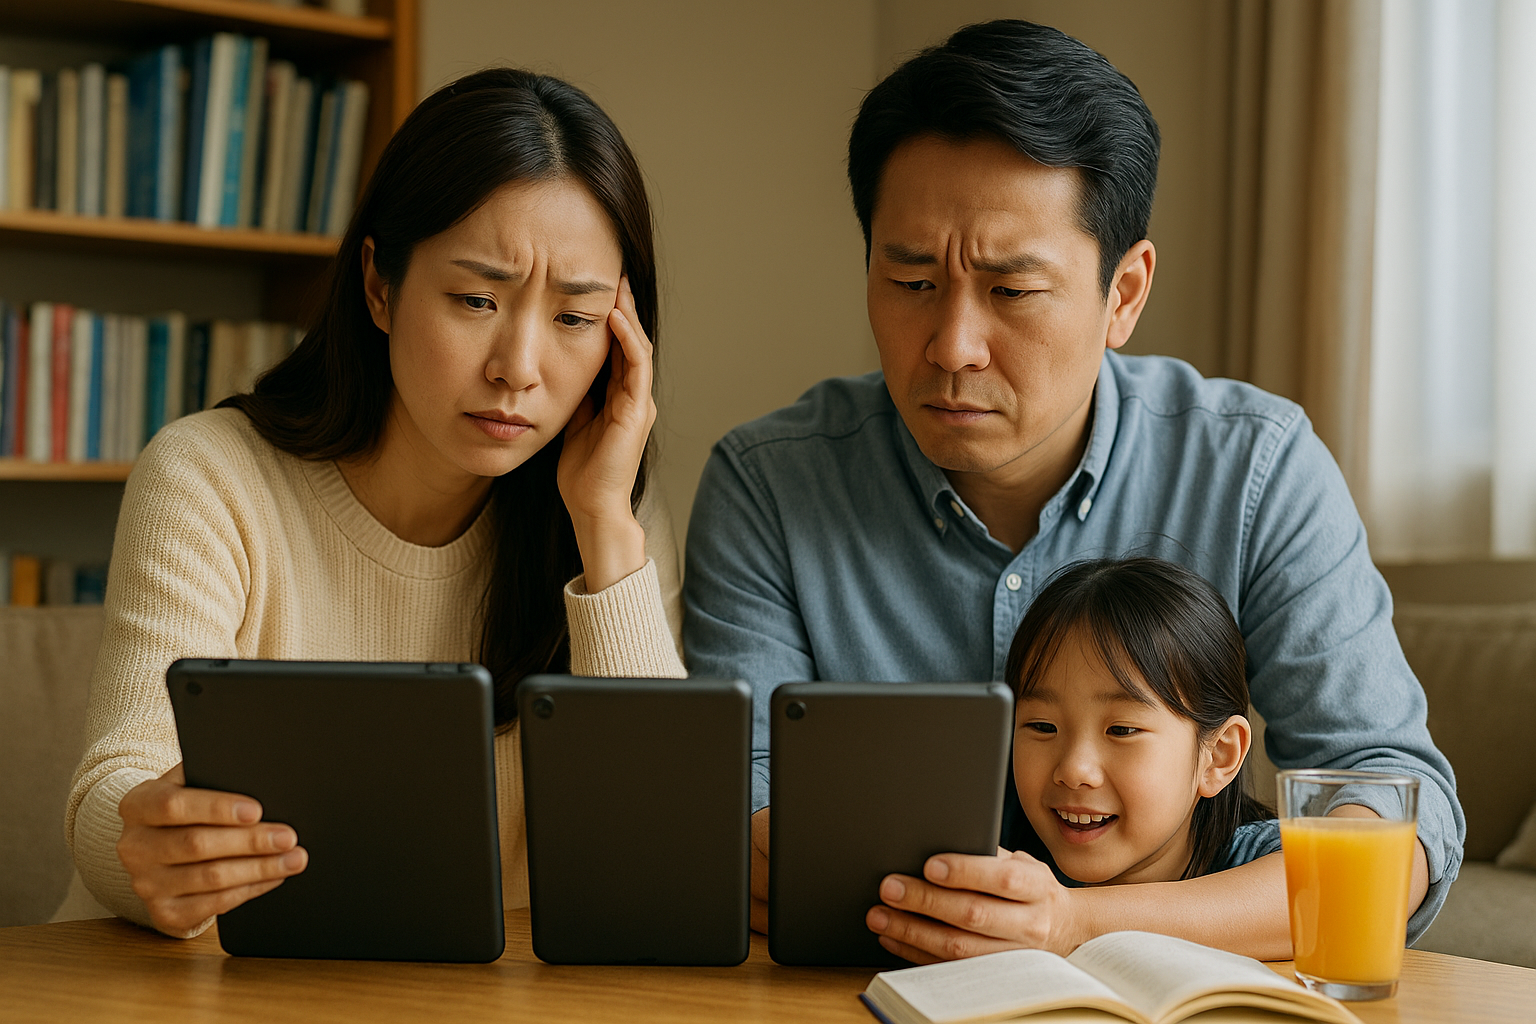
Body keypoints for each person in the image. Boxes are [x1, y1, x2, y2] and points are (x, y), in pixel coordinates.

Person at [682, 19, 1462, 960]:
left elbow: (1391, 821)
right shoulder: (770, 483)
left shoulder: (1256, 467)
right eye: (911, 278)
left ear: (1124, 294)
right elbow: (744, 807)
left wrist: (1077, 924)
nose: (953, 345)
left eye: (1012, 291)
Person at [65, 68, 685, 939]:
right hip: (211, 987)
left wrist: (605, 530)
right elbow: (121, 778)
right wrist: (144, 842)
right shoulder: (210, 477)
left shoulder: (607, 518)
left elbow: (664, 860)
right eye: (477, 300)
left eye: (575, 319)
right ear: (380, 286)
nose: (519, 366)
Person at [898, 557, 1286, 963]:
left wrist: (1073, 922)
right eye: (1043, 727)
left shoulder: (1253, 857)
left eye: (1121, 730)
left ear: (1218, 756)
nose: (1073, 770)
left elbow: (1339, 896)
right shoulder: (1001, 860)